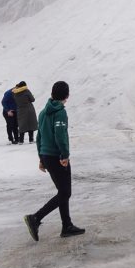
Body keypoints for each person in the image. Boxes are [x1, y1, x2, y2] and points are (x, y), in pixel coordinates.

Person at [23, 81, 85, 241]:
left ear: (52, 94)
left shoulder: (43, 112)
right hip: (56, 156)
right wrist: (64, 155)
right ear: (67, 96)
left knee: (62, 192)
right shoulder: (60, 112)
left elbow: (39, 137)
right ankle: (35, 218)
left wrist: (41, 158)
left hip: (46, 155)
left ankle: (67, 226)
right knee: (65, 192)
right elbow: (60, 135)